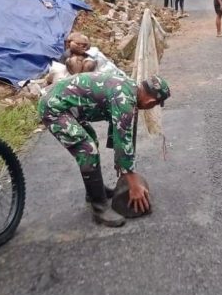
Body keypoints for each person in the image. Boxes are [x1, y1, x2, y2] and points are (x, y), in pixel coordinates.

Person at [38, 72, 171, 228]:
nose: (151, 107)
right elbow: (123, 141)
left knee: (91, 139)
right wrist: (133, 184)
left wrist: (124, 169)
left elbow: (120, 131)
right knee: (87, 150)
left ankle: (94, 191)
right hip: (54, 107)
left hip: (65, 104)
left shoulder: (130, 88)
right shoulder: (125, 100)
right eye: (155, 104)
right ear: (151, 101)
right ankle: (99, 207)